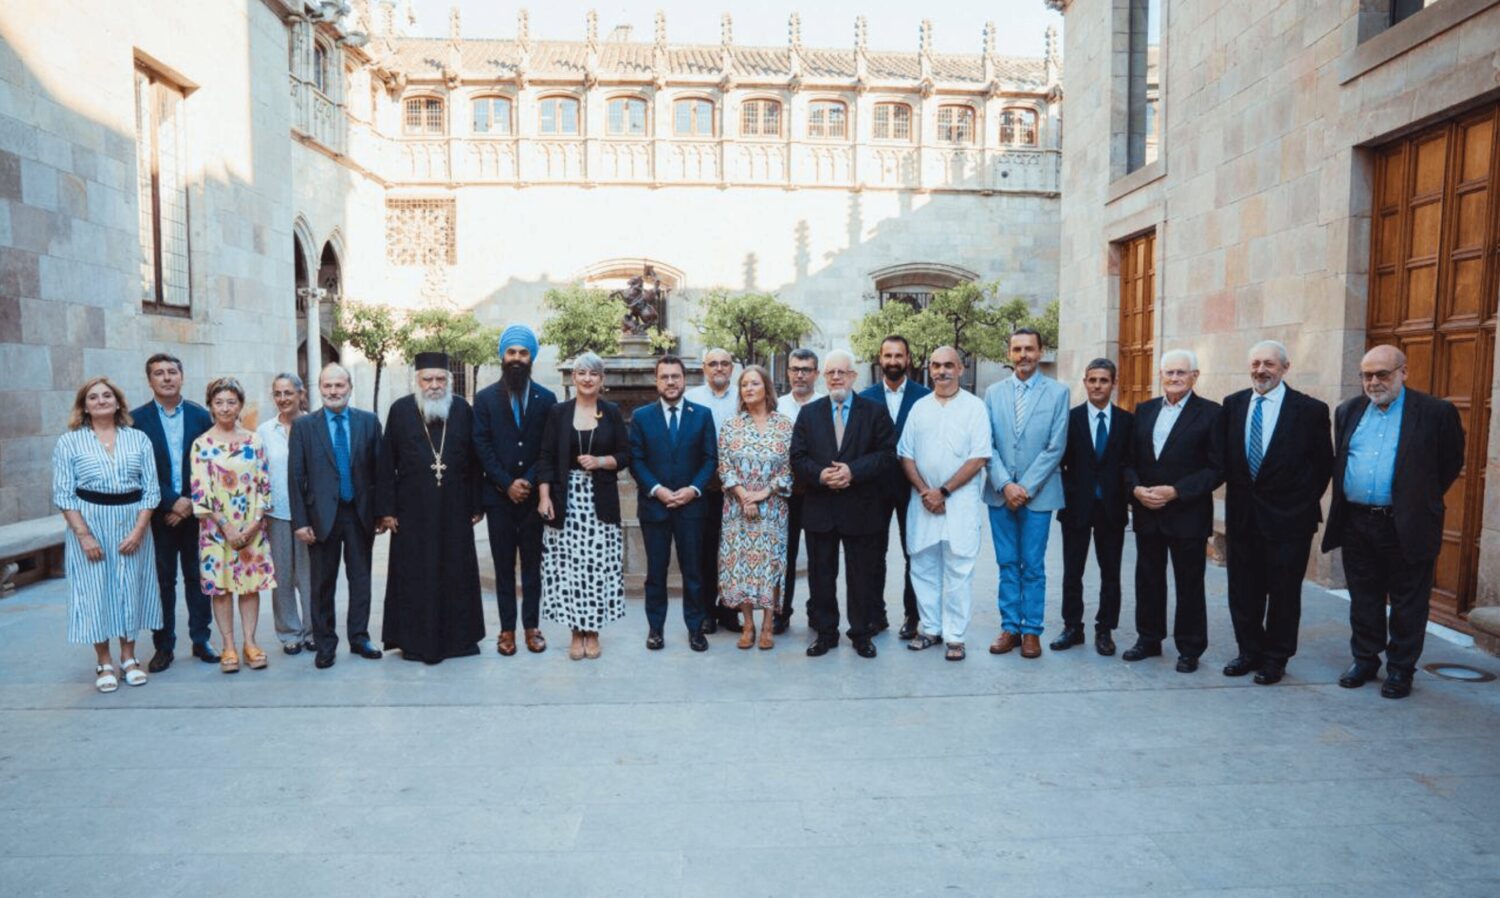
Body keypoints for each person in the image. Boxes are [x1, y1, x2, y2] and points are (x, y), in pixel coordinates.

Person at [1322, 344, 1464, 699]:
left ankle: (1401, 669)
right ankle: (1365, 660)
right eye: (1366, 375)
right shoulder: (1349, 411)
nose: (1373, 381)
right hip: (1357, 522)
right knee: (1363, 598)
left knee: (1408, 602)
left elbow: (1448, 464)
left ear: (1404, 371)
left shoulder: (1435, 412)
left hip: (1407, 523)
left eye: (1382, 374)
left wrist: (1414, 501)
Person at [1221, 341, 1332, 684]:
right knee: (1243, 591)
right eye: (1255, 363)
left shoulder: (1310, 410)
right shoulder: (1233, 404)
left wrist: (1297, 504)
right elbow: (1226, 457)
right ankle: (1248, 651)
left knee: (1284, 594)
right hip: (1242, 518)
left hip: (1289, 522)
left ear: (1285, 367)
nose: (1260, 370)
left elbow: (1323, 465)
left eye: (1269, 363)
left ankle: (1276, 657)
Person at [52, 377, 161, 692]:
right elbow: (63, 493)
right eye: (94, 397)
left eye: (107, 395)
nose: (101, 400)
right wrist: (84, 535)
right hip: (90, 522)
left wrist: (139, 530)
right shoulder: (69, 442)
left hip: (133, 521)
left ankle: (129, 657)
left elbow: (151, 489)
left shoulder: (138, 439)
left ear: (118, 402)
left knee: (131, 586)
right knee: (95, 591)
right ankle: (104, 661)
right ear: (84, 405)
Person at [376, 354, 486, 664]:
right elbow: (386, 463)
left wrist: (477, 503)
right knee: (415, 574)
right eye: (428, 379)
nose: (434, 385)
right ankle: (414, 641)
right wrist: (387, 510)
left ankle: (458, 640)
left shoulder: (463, 410)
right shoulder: (400, 411)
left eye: (440, 379)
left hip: (456, 508)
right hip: (411, 512)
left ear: (449, 381)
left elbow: (476, 462)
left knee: (456, 571)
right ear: (418, 381)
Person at [1122, 349, 1224, 673]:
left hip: (1187, 513)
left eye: (1182, 372)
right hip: (1147, 510)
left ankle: (1190, 648)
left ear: (1195, 376)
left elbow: (1217, 468)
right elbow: (1129, 461)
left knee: (1189, 583)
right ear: (1161, 376)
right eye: (1169, 373)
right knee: (1148, 579)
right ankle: (1148, 639)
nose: (1175, 378)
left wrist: (1178, 491)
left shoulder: (1211, 413)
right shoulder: (1145, 410)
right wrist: (1136, 490)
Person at [791, 349, 896, 658]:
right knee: (821, 575)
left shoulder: (874, 411)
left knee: (861, 575)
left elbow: (888, 454)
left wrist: (853, 471)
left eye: (842, 372)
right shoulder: (809, 414)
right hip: (820, 509)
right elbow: (797, 457)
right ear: (823, 378)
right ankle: (825, 633)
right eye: (830, 373)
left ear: (853, 376)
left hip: (861, 508)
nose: (836, 377)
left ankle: (861, 633)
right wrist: (822, 475)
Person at [287, 363, 385, 669]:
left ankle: (359, 637)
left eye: (339, 386)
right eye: (327, 386)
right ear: (319, 389)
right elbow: (296, 477)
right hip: (320, 519)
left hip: (359, 515)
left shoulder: (369, 423)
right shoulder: (304, 426)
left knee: (360, 580)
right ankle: (325, 643)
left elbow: (380, 473)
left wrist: (382, 513)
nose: (333, 391)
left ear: (350, 387)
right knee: (322, 584)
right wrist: (300, 521)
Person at [897, 348, 991, 661]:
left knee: (958, 569)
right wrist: (927, 491)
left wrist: (944, 491)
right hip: (923, 501)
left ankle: (955, 636)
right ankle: (930, 629)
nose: (941, 371)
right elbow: (906, 455)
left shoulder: (974, 408)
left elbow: (978, 457)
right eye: (936, 365)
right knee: (922, 567)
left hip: (958, 503)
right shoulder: (919, 408)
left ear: (961, 369)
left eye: (948, 365)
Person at [536, 353, 630, 660]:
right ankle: (576, 631)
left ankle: (593, 631)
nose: (587, 378)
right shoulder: (558, 413)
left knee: (597, 567)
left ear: (602, 380)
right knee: (569, 567)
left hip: (600, 501)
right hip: (566, 500)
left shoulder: (612, 412)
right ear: (573, 378)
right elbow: (547, 457)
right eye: (581, 373)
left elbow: (626, 455)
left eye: (593, 373)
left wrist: (602, 461)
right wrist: (544, 497)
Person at [982, 328, 1069, 659]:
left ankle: (1032, 630)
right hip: (1000, 493)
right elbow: (986, 444)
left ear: (1040, 351)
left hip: (1040, 494)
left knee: (1032, 564)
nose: (1023, 355)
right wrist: (1005, 484)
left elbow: (1055, 446)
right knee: (1007, 563)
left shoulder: (1058, 393)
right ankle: (1010, 628)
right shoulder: (993, 393)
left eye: (1029, 349)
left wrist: (1026, 487)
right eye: (1017, 349)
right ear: (1009, 353)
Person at [473, 324, 556, 656]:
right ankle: (506, 630)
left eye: (523, 352)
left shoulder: (547, 399)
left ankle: (531, 628)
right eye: (512, 352)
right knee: (503, 566)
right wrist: (506, 483)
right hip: (499, 498)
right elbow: (481, 445)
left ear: (531, 357)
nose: (517, 358)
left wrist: (530, 482)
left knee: (533, 568)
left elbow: (548, 448)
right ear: (502, 356)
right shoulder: (484, 399)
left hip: (534, 500)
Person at [131, 353, 217, 672]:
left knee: (198, 578)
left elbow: (211, 465)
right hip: (158, 516)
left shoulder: (200, 416)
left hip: (196, 514)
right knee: (163, 581)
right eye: (159, 373)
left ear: (181, 377)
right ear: (149, 380)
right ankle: (163, 645)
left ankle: (200, 639)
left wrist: (190, 502)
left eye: (172, 372)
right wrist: (171, 501)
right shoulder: (135, 420)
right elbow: (139, 470)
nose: (166, 378)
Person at [629, 355, 718, 651]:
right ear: (657, 381)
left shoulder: (702, 415)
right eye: (664, 377)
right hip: (656, 507)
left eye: (675, 377)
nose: (670, 382)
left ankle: (696, 628)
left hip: (692, 508)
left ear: (684, 380)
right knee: (656, 573)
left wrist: (694, 489)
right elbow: (636, 460)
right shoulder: (642, 417)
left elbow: (710, 459)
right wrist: (657, 489)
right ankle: (655, 629)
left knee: (694, 572)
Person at [190, 377, 276, 674]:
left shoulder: (254, 440)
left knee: (249, 586)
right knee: (222, 588)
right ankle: (227, 644)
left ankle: (250, 643)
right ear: (211, 406)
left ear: (240, 405)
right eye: (219, 402)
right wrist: (226, 527)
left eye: (231, 402)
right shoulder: (202, 444)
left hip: (252, 527)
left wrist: (253, 525)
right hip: (216, 531)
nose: (225, 408)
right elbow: (201, 491)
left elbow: (265, 485)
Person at [1054, 359, 1134, 656]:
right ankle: (1072, 627)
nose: (1097, 386)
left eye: (1103, 380)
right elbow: (1058, 459)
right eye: (1092, 380)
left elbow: (1129, 463)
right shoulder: (1070, 419)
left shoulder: (1127, 421)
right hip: (1076, 507)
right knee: (1072, 571)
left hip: (1111, 509)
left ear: (1113, 384)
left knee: (1110, 572)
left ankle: (1105, 629)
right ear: (1085, 382)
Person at [858, 334, 931, 639]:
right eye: (887, 356)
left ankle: (912, 616)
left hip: (912, 487)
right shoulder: (864, 397)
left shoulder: (925, 396)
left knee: (913, 552)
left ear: (909, 359)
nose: (892, 362)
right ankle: (876, 616)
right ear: (879, 358)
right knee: (873, 554)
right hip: (874, 489)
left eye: (898, 356)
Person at [718, 365, 795, 650]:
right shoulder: (731, 425)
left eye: (754, 383)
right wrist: (744, 496)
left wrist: (762, 494)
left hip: (773, 507)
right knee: (740, 567)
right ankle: (747, 625)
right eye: (744, 385)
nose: (748, 389)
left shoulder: (784, 425)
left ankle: (768, 626)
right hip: (737, 509)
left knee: (770, 566)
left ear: (766, 388)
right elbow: (724, 466)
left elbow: (789, 469)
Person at [256, 373, 315, 655]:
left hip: (310, 515)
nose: (283, 399)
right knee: (282, 579)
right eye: (278, 393)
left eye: (289, 393)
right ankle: (289, 633)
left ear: (301, 394)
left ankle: (314, 631)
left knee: (310, 577)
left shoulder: (315, 425)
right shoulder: (264, 431)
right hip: (277, 513)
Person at [685, 346, 740, 633]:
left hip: (738, 489)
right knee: (705, 551)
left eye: (724, 363)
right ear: (704, 368)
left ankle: (729, 610)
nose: (719, 368)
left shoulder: (743, 397)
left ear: (732, 368)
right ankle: (706, 610)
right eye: (713, 364)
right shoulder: (691, 398)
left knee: (732, 552)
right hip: (703, 487)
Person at [772, 347, 822, 634]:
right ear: (788, 372)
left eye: (806, 369)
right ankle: (782, 611)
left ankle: (817, 611)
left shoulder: (826, 404)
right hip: (783, 494)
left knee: (818, 556)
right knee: (784, 555)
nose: (800, 374)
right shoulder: (777, 406)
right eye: (795, 369)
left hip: (816, 491)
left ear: (816, 373)